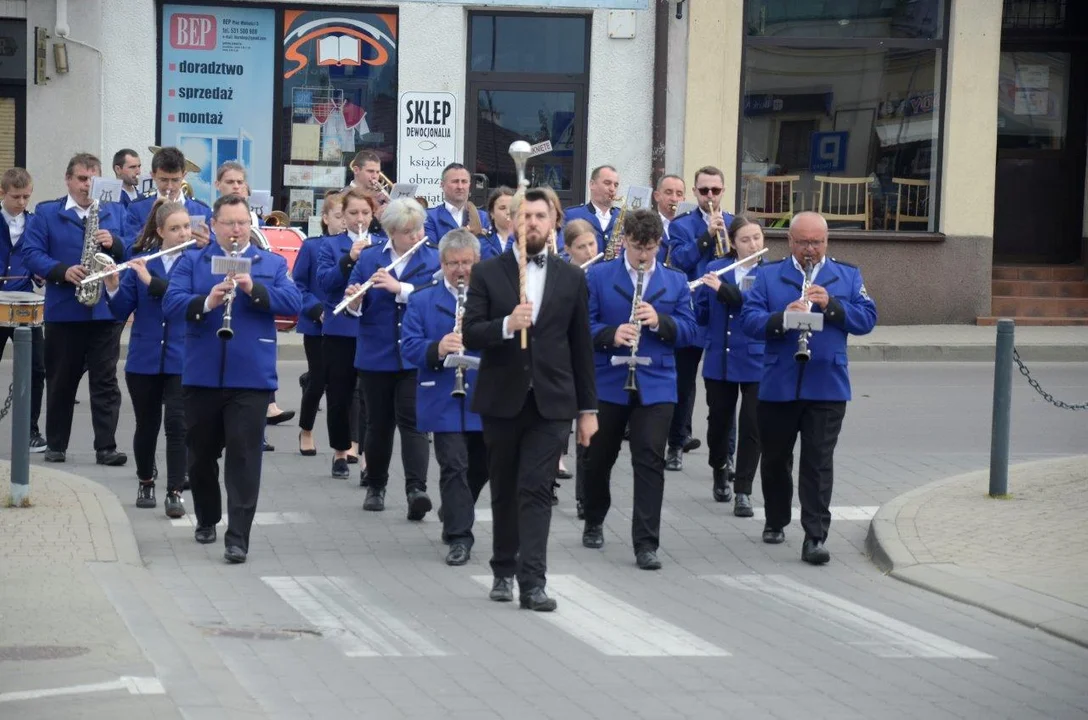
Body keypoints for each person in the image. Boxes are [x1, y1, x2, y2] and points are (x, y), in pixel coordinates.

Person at [463, 187, 598, 612]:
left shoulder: (572, 277)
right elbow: (471, 333)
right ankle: (503, 567)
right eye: (526, 216)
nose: (533, 223)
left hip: (552, 401)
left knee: (536, 489)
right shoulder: (488, 272)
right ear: (513, 222)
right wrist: (506, 324)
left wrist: (588, 411)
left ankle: (533, 582)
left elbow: (582, 348)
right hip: (502, 398)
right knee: (504, 488)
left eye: (541, 216)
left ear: (554, 221)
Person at [162, 194, 301, 563]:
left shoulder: (268, 262)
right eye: (230, 223)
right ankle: (207, 517)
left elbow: (293, 303)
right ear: (214, 225)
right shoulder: (193, 262)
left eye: (243, 223)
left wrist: (254, 289)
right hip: (202, 375)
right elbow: (171, 303)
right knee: (201, 454)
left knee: (243, 457)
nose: (237, 230)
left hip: (251, 377)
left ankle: (238, 537)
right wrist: (207, 301)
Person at [740, 211, 877, 565]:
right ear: (790, 242)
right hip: (778, 383)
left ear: (826, 242)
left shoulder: (846, 275)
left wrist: (832, 305)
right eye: (803, 242)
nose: (810, 249)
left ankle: (815, 536)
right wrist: (783, 318)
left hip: (827, 385)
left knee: (817, 463)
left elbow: (867, 319)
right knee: (774, 460)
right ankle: (775, 518)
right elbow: (749, 321)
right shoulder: (767, 275)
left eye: (816, 242)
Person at [580, 209, 697, 570]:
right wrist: (610, 334)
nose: (643, 255)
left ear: (659, 245)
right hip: (610, 379)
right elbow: (583, 325)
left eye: (649, 247)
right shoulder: (599, 276)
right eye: (636, 247)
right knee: (599, 457)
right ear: (624, 241)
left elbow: (692, 331)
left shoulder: (676, 281)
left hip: (657, 382)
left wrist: (661, 322)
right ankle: (595, 517)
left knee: (650, 459)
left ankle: (646, 543)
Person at [21, 152, 128, 465]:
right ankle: (56, 445)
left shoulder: (114, 212)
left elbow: (134, 248)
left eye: (93, 180)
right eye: (82, 179)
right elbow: (31, 253)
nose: (87, 186)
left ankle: (106, 447)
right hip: (66, 311)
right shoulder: (46, 213)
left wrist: (116, 243)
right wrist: (61, 271)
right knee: (61, 380)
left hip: (105, 313)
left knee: (105, 384)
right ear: (68, 179)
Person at [343, 197, 438, 518]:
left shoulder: (433, 257)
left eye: (418, 229)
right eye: (408, 231)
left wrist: (399, 287)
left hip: (414, 355)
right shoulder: (370, 259)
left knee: (413, 423)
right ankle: (376, 486)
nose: (415, 236)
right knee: (379, 424)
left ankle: (416, 490)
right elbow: (357, 308)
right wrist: (354, 300)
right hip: (376, 353)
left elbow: (433, 297)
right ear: (392, 232)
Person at [401, 228, 488, 566]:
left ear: (477, 262)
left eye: (466, 262)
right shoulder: (423, 299)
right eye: (453, 263)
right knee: (453, 465)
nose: (460, 270)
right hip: (442, 395)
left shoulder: (491, 298)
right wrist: (437, 347)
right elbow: (409, 346)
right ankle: (459, 536)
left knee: (481, 466)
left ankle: (455, 509)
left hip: (483, 393)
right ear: (442, 263)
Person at [104, 200, 191, 516]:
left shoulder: (195, 264)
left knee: (178, 425)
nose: (183, 234)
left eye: (186, 227)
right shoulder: (141, 261)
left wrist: (150, 283)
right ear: (160, 232)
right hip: (144, 358)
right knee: (147, 424)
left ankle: (175, 491)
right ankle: (145, 480)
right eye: (175, 229)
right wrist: (113, 286)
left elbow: (187, 301)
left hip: (182, 358)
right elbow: (120, 310)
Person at [662, 165, 735, 472]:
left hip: (722, 314)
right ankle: (676, 444)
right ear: (694, 192)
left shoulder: (734, 222)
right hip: (692, 312)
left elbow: (745, 262)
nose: (709, 196)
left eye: (715, 191)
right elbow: (679, 261)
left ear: (722, 191)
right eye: (703, 190)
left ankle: (726, 454)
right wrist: (707, 235)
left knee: (725, 387)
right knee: (682, 383)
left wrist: (729, 238)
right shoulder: (681, 226)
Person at [694, 215, 766, 517]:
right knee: (719, 424)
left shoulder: (770, 274)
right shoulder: (715, 269)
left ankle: (744, 491)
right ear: (733, 244)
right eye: (746, 240)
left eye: (758, 238)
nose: (753, 245)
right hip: (720, 358)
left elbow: (751, 307)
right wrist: (697, 293)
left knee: (753, 425)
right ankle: (720, 467)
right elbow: (700, 314)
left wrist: (724, 292)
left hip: (755, 359)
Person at [317, 189, 379, 477]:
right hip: (339, 330)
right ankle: (340, 452)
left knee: (368, 397)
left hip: (369, 330)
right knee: (340, 395)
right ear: (343, 215)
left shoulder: (380, 245)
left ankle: (368, 457)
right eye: (353, 213)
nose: (359, 219)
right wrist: (349, 259)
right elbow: (326, 283)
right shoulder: (330, 245)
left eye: (365, 213)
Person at [295, 190, 346, 457]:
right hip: (318, 325)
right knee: (318, 379)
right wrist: (316, 310)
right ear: (325, 218)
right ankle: (306, 430)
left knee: (348, 384)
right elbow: (300, 285)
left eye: (346, 215)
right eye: (338, 216)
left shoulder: (357, 247)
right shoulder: (312, 246)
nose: (344, 221)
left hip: (346, 325)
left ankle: (349, 441)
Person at [0, 168, 47, 452]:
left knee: (36, 369)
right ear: (2, 194)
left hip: (26, 303)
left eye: (26, 197)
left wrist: (41, 273)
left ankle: (31, 429)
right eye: (16, 197)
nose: (22, 202)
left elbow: (41, 257)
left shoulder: (36, 223)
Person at [123, 147, 211, 251]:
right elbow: (129, 251)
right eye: (163, 180)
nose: (169, 186)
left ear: (184, 175)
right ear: (153, 175)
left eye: (175, 180)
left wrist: (206, 245)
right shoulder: (137, 208)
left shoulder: (202, 210)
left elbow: (211, 255)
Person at [423, 163, 489, 241]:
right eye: (455, 181)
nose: (460, 187)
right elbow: (430, 250)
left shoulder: (483, 218)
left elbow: (490, 251)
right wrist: (466, 230)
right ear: (442, 185)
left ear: (469, 186)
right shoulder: (429, 217)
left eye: (464, 181)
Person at [562, 165, 620, 252]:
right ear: (592, 184)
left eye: (616, 185)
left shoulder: (627, 218)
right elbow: (562, 253)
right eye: (607, 183)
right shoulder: (571, 215)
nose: (612, 189)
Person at [653, 173, 685, 265]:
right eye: (668, 192)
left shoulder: (688, 227)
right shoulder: (645, 223)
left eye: (679, 194)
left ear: (683, 199)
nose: (674, 199)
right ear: (657, 196)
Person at [480, 186, 514, 260]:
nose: (508, 212)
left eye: (512, 208)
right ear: (492, 213)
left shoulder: (526, 240)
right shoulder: (482, 242)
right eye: (502, 208)